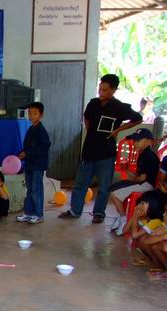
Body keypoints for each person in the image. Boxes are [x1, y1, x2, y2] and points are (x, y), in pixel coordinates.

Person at [59, 74, 142, 223]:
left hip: (106, 154)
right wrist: (92, 132)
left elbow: (138, 118)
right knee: (80, 184)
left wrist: (118, 130)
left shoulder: (119, 107)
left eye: (105, 90)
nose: (101, 93)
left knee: (104, 187)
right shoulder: (93, 103)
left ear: (113, 90)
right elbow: (87, 118)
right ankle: (75, 210)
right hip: (89, 151)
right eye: (100, 89)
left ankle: (99, 213)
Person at [107, 128, 160, 234]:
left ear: (149, 141)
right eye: (134, 140)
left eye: (138, 140)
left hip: (147, 185)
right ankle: (121, 217)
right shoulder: (142, 155)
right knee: (113, 188)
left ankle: (123, 218)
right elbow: (138, 175)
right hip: (141, 183)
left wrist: (131, 180)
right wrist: (126, 170)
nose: (135, 143)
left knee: (114, 193)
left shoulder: (149, 156)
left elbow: (142, 178)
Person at [16, 102, 51, 225]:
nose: (31, 116)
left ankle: (38, 214)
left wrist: (27, 152)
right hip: (29, 164)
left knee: (36, 189)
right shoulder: (31, 129)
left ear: (41, 115)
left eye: (35, 113)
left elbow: (44, 147)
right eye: (30, 113)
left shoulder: (41, 130)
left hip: (38, 165)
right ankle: (28, 213)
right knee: (29, 189)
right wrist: (22, 152)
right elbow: (27, 146)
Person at [125, 191, 166, 267]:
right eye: (140, 203)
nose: (139, 206)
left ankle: (156, 262)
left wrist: (136, 216)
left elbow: (134, 235)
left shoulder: (156, 221)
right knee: (139, 237)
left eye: (143, 203)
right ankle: (150, 258)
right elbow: (125, 230)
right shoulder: (144, 219)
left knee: (142, 238)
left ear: (153, 206)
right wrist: (134, 216)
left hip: (160, 248)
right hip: (150, 246)